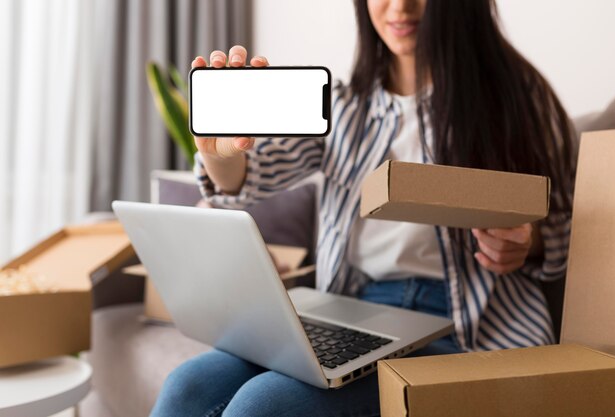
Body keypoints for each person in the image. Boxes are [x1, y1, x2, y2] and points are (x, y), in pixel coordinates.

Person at [151, 0, 576, 415]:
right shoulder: (344, 104)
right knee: (186, 387)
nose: (400, 8)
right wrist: (219, 152)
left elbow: (573, 223)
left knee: (264, 404)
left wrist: (528, 242)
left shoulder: (517, 95)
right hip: (351, 310)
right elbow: (248, 178)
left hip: (470, 324)